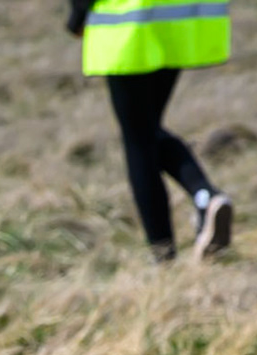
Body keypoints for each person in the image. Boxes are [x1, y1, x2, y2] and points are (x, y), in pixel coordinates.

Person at [69, 0, 234, 263]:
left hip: (127, 23)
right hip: (177, 21)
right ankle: (206, 198)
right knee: (147, 131)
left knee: (138, 139)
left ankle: (163, 255)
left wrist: (78, 14)